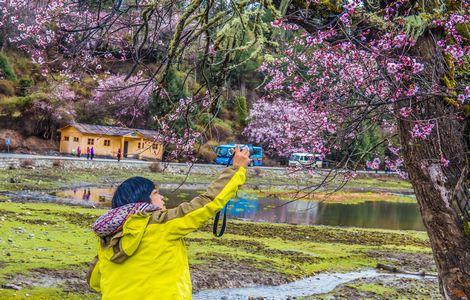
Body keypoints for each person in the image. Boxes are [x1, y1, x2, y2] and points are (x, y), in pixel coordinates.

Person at [87, 146, 250, 299]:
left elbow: (94, 281)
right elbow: (207, 202)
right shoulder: (162, 224)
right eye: (156, 193)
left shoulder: (108, 239)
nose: (162, 197)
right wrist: (236, 170)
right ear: (144, 199)